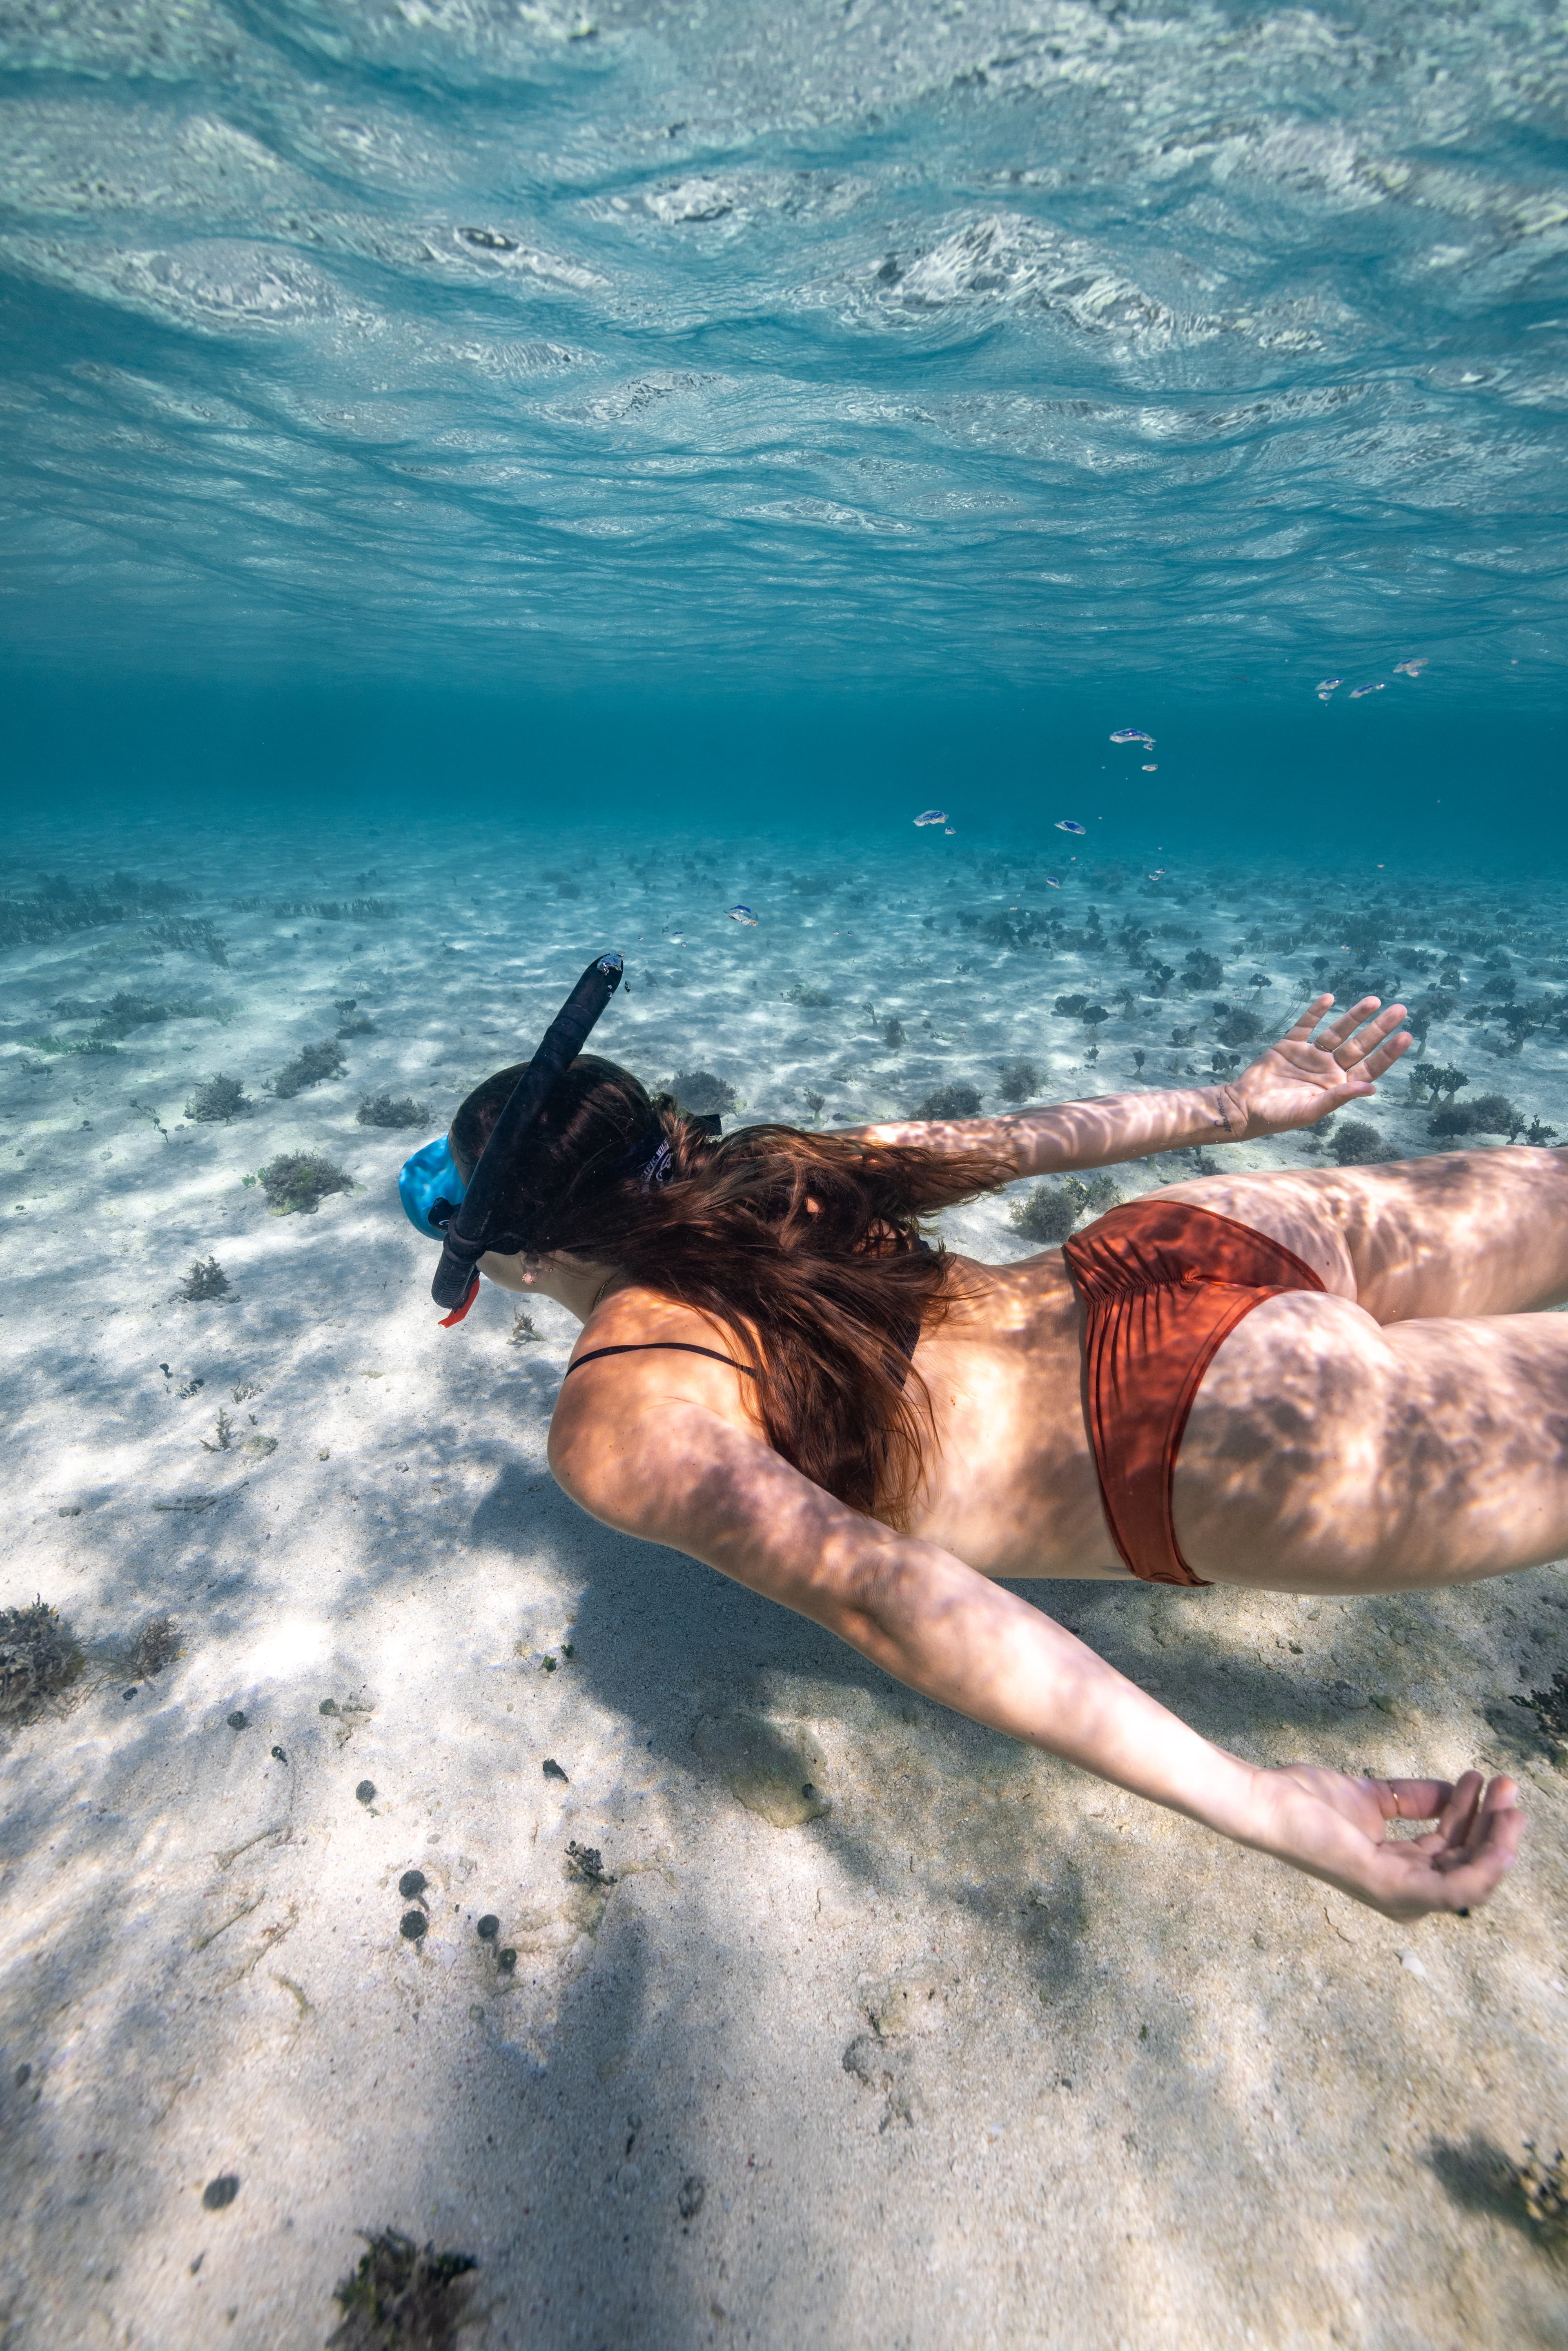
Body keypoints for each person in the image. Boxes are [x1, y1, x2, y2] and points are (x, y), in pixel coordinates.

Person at [406, 973, 1529, 1922]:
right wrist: (1236, 1105)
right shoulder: (774, 1166)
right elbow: (1005, 1145)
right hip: (1182, 1241)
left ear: (521, 1258)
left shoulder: (619, 1406)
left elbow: (889, 1596)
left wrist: (1265, 1806)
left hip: (1187, 1426)